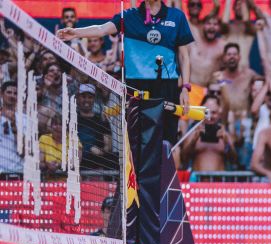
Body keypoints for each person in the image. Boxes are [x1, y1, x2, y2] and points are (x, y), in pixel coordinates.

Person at [57, 0, 195, 143]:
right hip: (136, 87)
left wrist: (185, 88)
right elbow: (101, 29)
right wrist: (75, 33)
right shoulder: (128, 16)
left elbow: (184, 56)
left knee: (166, 141)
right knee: (139, 143)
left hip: (167, 86)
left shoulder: (176, 16)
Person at [182, 95, 235, 171]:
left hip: (219, 181)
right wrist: (194, 140)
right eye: (207, 112)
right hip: (197, 181)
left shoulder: (224, 132)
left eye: (214, 112)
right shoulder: (193, 131)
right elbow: (184, 158)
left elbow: (234, 160)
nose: (210, 116)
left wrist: (226, 142)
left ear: (219, 113)